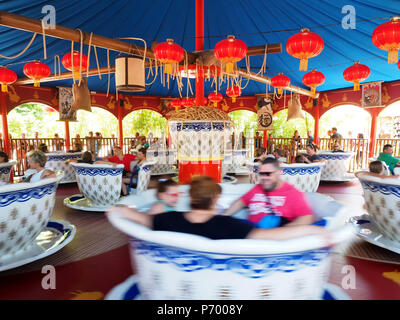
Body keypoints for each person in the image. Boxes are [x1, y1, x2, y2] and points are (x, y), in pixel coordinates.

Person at [106, 176, 331, 242]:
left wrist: (118, 209)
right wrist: (313, 230)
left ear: (190, 198)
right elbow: (274, 236)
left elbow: (137, 216)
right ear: (214, 201)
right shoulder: (229, 225)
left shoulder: (168, 219)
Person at [224, 158, 315, 229]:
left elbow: (307, 218)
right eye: (261, 174)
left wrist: (282, 231)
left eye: (268, 174)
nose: (264, 177)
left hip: (269, 237)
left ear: (279, 172)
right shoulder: (258, 188)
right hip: (249, 230)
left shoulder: (292, 194)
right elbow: (240, 202)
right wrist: (223, 217)